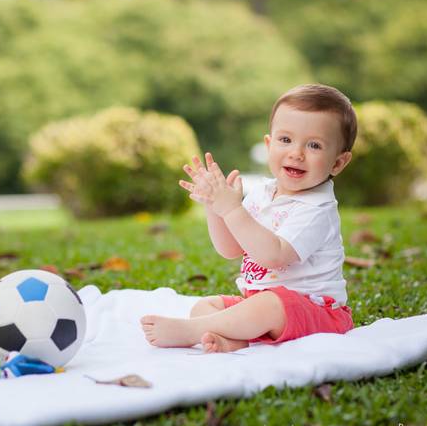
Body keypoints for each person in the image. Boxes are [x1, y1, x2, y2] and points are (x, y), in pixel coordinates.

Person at [141, 84, 356, 353]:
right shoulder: (264, 193)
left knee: (267, 306)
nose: (296, 153)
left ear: (337, 163)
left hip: (316, 311)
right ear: (269, 144)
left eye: (314, 145)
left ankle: (191, 332)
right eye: (286, 140)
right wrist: (216, 207)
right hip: (259, 302)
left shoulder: (316, 209)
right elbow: (230, 249)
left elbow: (273, 255)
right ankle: (233, 339)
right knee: (205, 306)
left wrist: (233, 209)